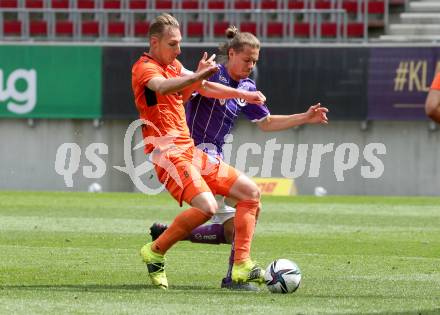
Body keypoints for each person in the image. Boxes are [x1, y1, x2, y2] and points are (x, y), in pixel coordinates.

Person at [149, 26, 329, 290]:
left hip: (214, 160)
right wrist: (206, 80)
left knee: (233, 230)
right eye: (246, 60)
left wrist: (304, 117)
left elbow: (266, 122)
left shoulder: (247, 85)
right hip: (193, 156)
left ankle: (170, 236)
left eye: (254, 62)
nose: (250, 66)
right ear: (231, 53)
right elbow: (197, 90)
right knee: (251, 199)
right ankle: (235, 275)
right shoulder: (212, 75)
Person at [132, 13, 268, 290]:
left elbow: (205, 87)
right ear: (154, 42)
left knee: (251, 194)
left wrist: (242, 95)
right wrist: (194, 76)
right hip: (166, 154)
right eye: (173, 44)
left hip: (189, 150)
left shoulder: (174, 65)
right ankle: (156, 250)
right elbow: (162, 86)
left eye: (179, 43)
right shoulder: (145, 68)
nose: (178, 50)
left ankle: (241, 265)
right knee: (207, 208)